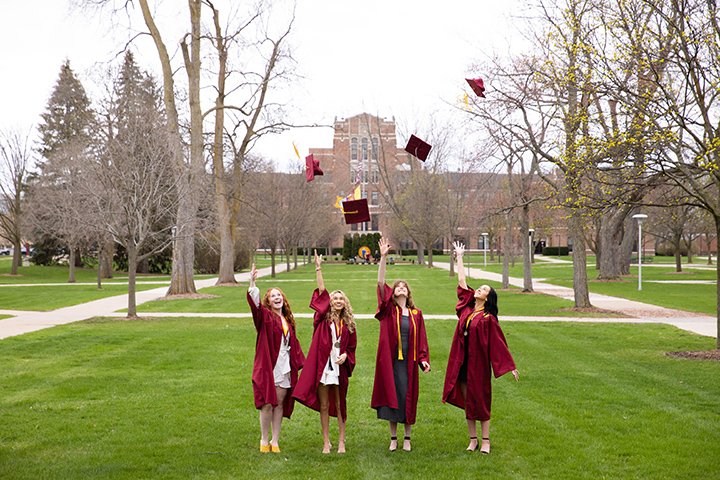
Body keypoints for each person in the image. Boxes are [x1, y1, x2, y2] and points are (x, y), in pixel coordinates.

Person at [442, 242, 519, 454]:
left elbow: (498, 343)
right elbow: (461, 282)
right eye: (480, 287)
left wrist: (509, 365)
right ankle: (473, 439)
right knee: (468, 402)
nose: (479, 289)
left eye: (484, 289)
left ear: (488, 297)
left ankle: (486, 440)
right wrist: (459, 256)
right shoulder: (467, 310)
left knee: (481, 402)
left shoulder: (488, 319)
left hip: (479, 366)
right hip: (463, 363)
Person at [293, 251, 357, 454]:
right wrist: (318, 268)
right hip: (323, 366)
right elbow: (321, 292)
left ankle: (341, 442)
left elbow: (351, 348)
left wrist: (346, 355)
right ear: (330, 302)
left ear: (345, 303)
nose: (338, 301)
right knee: (324, 405)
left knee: (339, 405)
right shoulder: (322, 319)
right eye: (335, 298)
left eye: (341, 299)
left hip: (339, 366)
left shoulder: (349, 325)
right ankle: (326, 442)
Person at [371, 236, 430, 452]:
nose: (401, 288)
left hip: (410, 361)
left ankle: (407, 437)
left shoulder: (416, 314)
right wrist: (383, 258)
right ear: (393, 293)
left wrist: (424, 360)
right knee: (392, 395)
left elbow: (422, 339)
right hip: (391, 361)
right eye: (398, 287)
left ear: (408, 292)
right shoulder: (389, 311)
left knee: (407, 395)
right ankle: (393, 437)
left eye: (404, 286)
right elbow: (380, 284)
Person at [247, 263, 305, 453]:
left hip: (284, 366)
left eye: (279, 295)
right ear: (268, 301)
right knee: (267, 403)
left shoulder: (288, 320)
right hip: (269, 366)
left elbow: (293, 345)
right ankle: (264, 440)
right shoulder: (265, 317)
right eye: (273, 296)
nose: (277, 298)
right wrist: (253, 281)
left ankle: (275, 440)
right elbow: (255, 305)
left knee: (279, 402)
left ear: (283, 300)